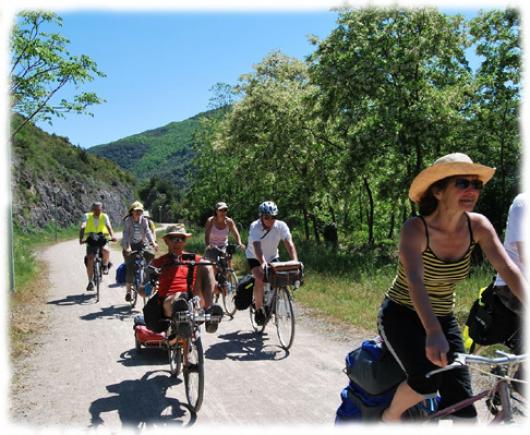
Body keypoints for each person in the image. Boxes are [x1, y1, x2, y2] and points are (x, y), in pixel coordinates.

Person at [377, 153, 527, 422]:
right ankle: (390, 416)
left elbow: (508, 270)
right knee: (427, 380)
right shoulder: (415, 229)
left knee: (463, 407)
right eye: (462, 183)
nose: (472, 190)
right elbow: (416, 281)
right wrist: (433, 332)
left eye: (476, 184)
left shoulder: (478, 226)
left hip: (443, 316)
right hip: (401, 314)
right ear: (437, 190)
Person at [150, 224, 223, 335]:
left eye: (181, 238)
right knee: (179, 297)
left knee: (206, 264)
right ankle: (183, 319)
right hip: (171, 302)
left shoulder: (194, 259)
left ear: (184, 242)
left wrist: (217, 286)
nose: (178, 241)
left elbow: (209, 281)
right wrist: (148, 283)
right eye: (173, 238)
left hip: (195, 300)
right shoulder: (159, 262)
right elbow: (144, 288)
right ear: (166, 241)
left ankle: (210, 312)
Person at [245, 201, 298, 326]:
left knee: (279, 278)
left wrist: (295, 260)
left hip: (273, 256)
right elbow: (257, 247)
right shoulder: (255, 226)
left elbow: (289, 244)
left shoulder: (281, 226)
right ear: (261, 217)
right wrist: (262, 263)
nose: (270, 220)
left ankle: (270, 305)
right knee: (259, 278)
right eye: (267, 217)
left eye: (273, 217)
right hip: (254, 256)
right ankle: (258, 310)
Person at [121, 201, 158, 302]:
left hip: (142, 244)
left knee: (151, 254)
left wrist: (153, 243)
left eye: (140, 211)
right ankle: (128, 292)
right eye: (136, 211)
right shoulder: (128, 221)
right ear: (132, 211)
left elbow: (148, 232)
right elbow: (126, 235)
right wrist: (127, 247)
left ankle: (145, 275)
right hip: (130, 245)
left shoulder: (144, 220)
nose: (138, 213)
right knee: (130, 268)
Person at [79, 202, 117, 291]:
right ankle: (90, 282)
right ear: (92, 210)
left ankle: (105, 266)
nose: (97, 211)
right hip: (91, 239)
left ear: (102, 209)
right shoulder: (87, 216)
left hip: (102, 238)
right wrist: (81, 239)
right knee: (90, 259)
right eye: (95, 210)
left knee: (106, 251)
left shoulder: (104, 216)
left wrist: (113, 236)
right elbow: (83, 226)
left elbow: (109, 227)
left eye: (99, 210)